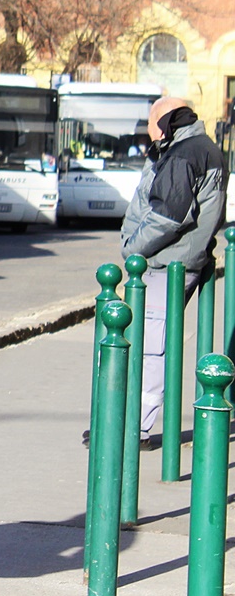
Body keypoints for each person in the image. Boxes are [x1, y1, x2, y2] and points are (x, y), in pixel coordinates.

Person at [120, 96, 227, 440]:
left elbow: (168, 217)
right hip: (182, 260)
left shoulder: (184, 154)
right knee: (151, 343)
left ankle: (135, 426)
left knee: (152, 346)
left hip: (169, 263)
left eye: (152, 127)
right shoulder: (198, 147)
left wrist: (131, 248)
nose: (150, 136)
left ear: (166, 123)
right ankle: (132, 422)